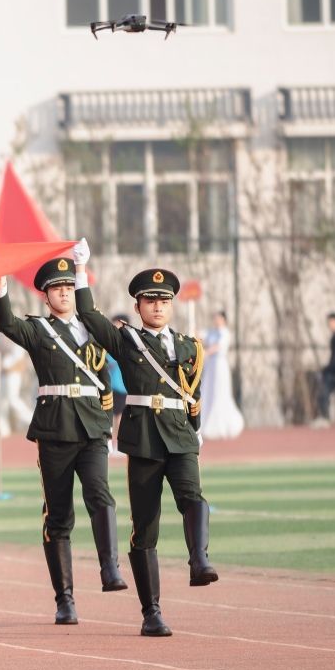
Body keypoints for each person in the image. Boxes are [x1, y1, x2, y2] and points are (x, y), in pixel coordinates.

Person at [73, 240, 216, 638]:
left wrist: (197, 429)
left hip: (181, 435)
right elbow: (89, 314)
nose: (157, 306)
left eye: (163, 300)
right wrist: (81, 270)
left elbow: (194, 393)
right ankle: (151, 611)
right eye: (149, 300)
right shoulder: (128, 341)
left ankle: (199, 560)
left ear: (172, 304)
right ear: (137, 306)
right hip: (145, 439)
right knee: (145, 527)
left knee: (193, 497)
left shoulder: (191, 346)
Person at [0, 256, 127, 625]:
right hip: (55, 428)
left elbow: (102, 378)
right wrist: (1, 287)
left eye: (70, 288)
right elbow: (7, 324)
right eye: (58, 289)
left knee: (100, 494)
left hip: (91, 426)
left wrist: (105, 419)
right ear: (46, 297)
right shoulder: (39, 330)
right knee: (59, 515)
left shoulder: (94, 328)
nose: (65, 294)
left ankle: (110, 568)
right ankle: (65, 598)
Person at [198, 311, 245, 441]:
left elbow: (217, 347)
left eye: (218, 318)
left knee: (220, 393)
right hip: (210, 367)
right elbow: (200, 336)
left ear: (224, 319)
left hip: (219, 366)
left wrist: (206, 352)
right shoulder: (212, 332)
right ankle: (205, 424)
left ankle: (223, 426)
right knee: (208, 392)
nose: (216, 320)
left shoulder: (225, 333)